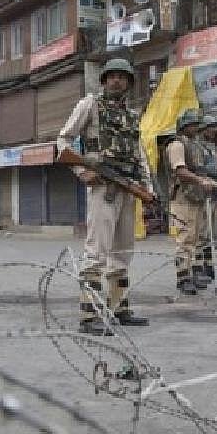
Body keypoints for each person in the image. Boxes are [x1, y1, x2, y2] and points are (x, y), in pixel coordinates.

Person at [57, 58, 155, 336]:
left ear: (129, 83)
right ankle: (88, 317)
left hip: (128, 187)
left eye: (122, 77)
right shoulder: (90, 105)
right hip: (103, 186)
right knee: (97, 251)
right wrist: (81, 171)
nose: (117, 81)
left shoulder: (132, 115)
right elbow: (63, 140)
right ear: (104, 80)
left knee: (124, 251)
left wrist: (147, 189)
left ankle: (119, 308)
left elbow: (139, 154)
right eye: (111, 76)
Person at [165, 109, 217, 294]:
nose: (196, 127)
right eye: (192, 124)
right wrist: (201, 182)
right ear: (184, 126)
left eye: (196, 124)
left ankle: (192, 273)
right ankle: (182, 277)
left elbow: (202, 172)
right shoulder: (177, 145)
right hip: (183, 198)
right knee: (185, 239)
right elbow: (180, 171)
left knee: (196, 238)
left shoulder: (195, 146)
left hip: (196, 197)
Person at [194, 114, 217, 285]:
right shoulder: (197, 146)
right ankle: (198, 268)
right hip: (205, 193)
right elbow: (201, 171)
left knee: (211, 235)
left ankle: (209, 265)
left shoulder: (212, 146)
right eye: (211, 127)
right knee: (202, 233)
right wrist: (215, 184)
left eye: (215, 127)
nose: (214, 130)